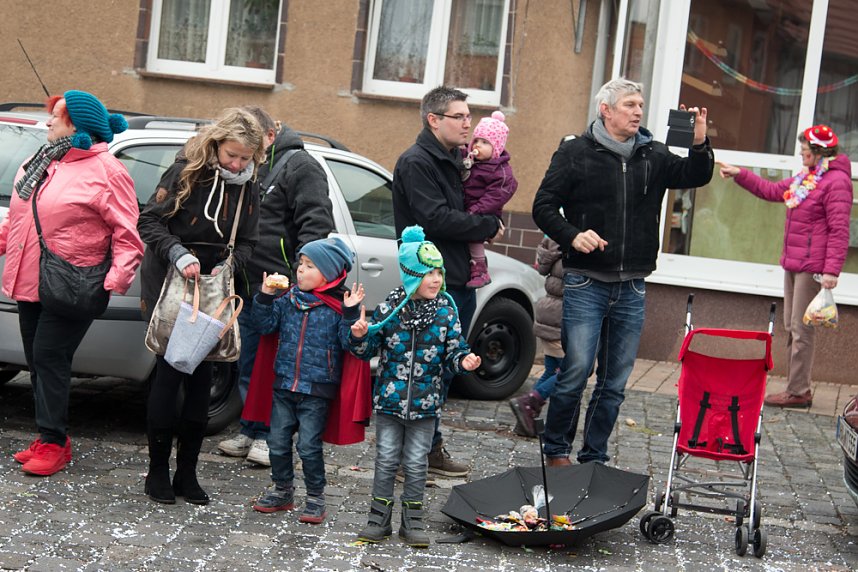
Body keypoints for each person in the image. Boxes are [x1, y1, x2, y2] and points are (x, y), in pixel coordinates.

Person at [532, 77, 713, 466]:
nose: (637, 112)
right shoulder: (575, 152)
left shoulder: (654, 154)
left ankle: (594, 456)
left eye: (640, 105)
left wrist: (699, 143)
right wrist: (572, 235)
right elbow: (543, 206)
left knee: (614, 383)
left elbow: (695, 176)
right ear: (606, 110)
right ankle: (557, 451)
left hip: (632, 285)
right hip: (586, 283)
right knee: (576, 371)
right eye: (629, 104)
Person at [0, 90, 144, 476]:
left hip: (74, 283)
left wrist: (114, 282)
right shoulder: (41, 160)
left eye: (56, 116)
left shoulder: (107, 171)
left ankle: (53, 442)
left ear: (77, 125)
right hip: (29, 280)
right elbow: (19, 217)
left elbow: (127, 234)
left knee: (48, 357)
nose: (48, 122)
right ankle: (50, 437)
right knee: (39, 360)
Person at [138, 107, 263, 505]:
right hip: (172, 280)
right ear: (216, 144)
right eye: (231, 155)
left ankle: (187, 473)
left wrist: (231, 264)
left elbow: (249, 241)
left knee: (201, 380)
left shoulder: (249, 185)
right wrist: (177, 253)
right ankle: (157, 471)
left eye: (245, 158)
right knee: (169, 372)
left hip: (214, 287)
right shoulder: (186, 171)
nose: (237, 164)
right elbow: (149, 221)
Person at [391, 85, 503, 478]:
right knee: (423, 371)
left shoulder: (457, 160)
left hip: (456, 277)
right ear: (433, 120)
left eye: (469, 116)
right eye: (459, 116)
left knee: (442, 370)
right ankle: (411, 456)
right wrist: (486, 225)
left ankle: (427, 449)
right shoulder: (417, 162)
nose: (468, 124)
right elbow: (434, 219)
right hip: (431, 282)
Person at [349, 226, 481, 547]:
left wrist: (463, 361)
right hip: (390, 402)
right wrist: (360, 335)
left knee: (417, 462)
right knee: (386, 459)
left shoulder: (446, 311)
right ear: (411, 275)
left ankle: (413, 521)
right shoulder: (391, 309)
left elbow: (454, 350)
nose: (436, 279)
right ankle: (378, 520)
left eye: (438, 272)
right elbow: (367, 351)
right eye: (428, 273)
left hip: (426, 405)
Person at [217, 105, 334, 467]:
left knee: (277, 368)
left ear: (270, 134)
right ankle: (251, 428)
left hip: (282, 286)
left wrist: (301, 277)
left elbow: (316, 224)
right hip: (247, 283)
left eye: (253, 141)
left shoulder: (301, 166)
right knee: (249, 363)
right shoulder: (251, 163)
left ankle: (271, 437)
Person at [718, 124, 852, 408]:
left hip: (812, 266)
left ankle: (799, 390)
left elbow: (840, 230)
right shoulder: (808, 177)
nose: (801, 154)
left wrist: (831, 271)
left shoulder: (836, 182)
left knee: (802, 329)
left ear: (819, 152)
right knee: (792, 325)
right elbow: (771, 190)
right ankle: (796, 387)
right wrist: (740, 174)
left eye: (804, 149)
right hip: (794, 261)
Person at [250, 236, 361, 524]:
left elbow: (349, 344)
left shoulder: (338, 307)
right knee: (277, 442)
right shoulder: (287, 300)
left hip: (317, 389)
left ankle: (315, 497)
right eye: (300, 264)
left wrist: (351, 316)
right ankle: (282, 490)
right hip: (284, 384)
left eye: (310, 266)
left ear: (330, 274)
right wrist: (264, 297)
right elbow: (264, 326)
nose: (301, 270)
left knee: (309, 446)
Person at [508, 237, 568, 437]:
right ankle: (529, 403)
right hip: (561, 316)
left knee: (551, 371)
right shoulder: (570, 246)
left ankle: (526, 420)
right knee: (571, 370)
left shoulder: (552, 242)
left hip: (549, 312)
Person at [462, 110, 518, 288]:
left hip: (484, 211)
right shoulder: (471, 159)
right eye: (476, 140)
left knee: (474, 238)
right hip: (469, 206)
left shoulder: (500, 171)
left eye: (485, 142)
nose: (478, 145)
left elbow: (495, 197)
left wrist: (476, 210)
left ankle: (480, 270)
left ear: (497, 148)